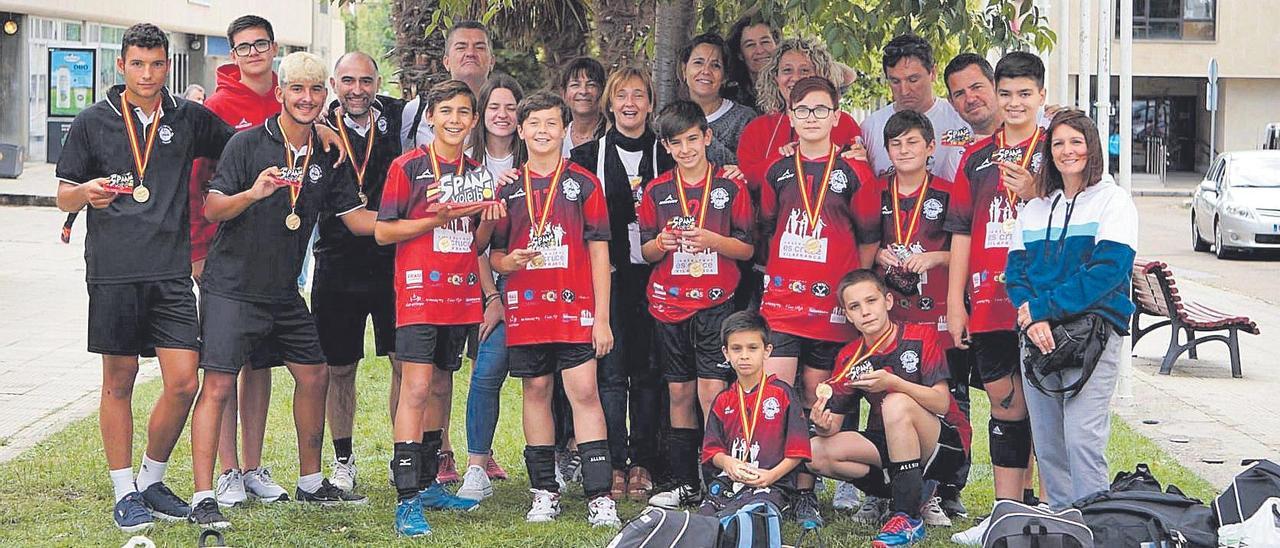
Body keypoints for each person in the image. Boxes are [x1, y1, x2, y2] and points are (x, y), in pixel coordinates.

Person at [54, 22, 235, 533]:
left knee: (183, 381)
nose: (149, 73)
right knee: (120, 379)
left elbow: (245, 143)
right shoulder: (92, 121)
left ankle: (152, 480)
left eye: (157, 64)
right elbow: (62, 195)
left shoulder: (188, 117)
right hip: (114, 271)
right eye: (138, 64)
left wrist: (317, 129)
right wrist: (86, 191)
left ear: (166, 65)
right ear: (122, 65)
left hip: (172, 271)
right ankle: (123, 489)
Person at [190, 52, 373, 529]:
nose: (307, 98)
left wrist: (423, 220)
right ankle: (204, 493)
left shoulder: (328, 154)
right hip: (232, 287)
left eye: (316, 90)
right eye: (298, 89)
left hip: (283, 292)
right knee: (218, 384)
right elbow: (211, 209)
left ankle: (312, 482)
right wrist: (253, 193)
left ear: (324, 96)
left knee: (315, 375)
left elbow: (355, 219)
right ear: (281, 92)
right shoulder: (246, 143)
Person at [376, 79, 502, 536]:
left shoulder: (476, 172)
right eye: (445, 110)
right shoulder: (407, 167)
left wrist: (489, 219)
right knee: (415, 387)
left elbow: (476, 242)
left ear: (473, 120)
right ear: (429, 116)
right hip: (418, 294)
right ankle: (407, 498)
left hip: (460, 295)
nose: (454, 119)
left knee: (443, 386)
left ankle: (429, 483)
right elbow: (383, 232)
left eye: (463, 112)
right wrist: (435, 218)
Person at [490, 91, 620, 527]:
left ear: (565, 130)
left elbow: (600, 253)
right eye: (535, 124)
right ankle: (544, 491)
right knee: (536, 392)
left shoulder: (583, 183)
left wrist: (602, 318)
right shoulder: (507, 187)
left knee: (584, 393)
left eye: (551, 123)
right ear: (521, 130)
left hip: (576, 309)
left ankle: (600, 496)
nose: (543, 131)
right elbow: (494, 253)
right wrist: (507, 264)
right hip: (527, 310)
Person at [758, 76, 881, 528]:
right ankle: (771, 487)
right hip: (784, 306)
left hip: (830, 311)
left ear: (835, 116)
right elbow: (768, 228)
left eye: (821, 110)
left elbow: (868, 238)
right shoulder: (778, 170)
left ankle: (806, 490)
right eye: (803, 110)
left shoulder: (854, 173)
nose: (812, 118)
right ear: (791, 116)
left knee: (818, 398)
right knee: (774, 395)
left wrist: (851, 293)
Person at [1005, 109, 1137, 510]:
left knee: (1082, 438)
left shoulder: (1114, 202)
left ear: (1092, 146)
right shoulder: (1035, 208)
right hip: (1038, 336)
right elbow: (1015, 275)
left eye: (1076, 141)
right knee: (1048, 443)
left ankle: (1096, 523)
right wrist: (1034, 320)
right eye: (1059, 143)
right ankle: (1061, 525)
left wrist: (1044, 309)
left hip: (1093, 334)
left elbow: (1108, 272)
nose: (1068, 151)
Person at [945, 51, 1050, 545]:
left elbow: (1075, 215)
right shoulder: (976, 156)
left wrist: (1034, 191)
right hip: (988, 301)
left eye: (1024, 93)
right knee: (1006, 407)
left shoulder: (1059, 148)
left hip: (1045, 303)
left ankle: (1051, 510)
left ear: (1041, 97)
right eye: (1005, 93)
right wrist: (954, 302)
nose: (1014, 102)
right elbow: (962, 234)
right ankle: (1006, 513)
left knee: (1048, 407)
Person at [639, 100, 755, 509]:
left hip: (715, 305)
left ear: (707, 138)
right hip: (669, 306)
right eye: (677, 143)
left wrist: (715, 242)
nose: (686, 149)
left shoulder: (730, 187)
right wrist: (661, 243)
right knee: (679, 394)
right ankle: (685, 481)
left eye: (693, 139)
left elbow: (746, 248)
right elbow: (647, 251)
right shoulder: (657, 191)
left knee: (712, 391)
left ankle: (719, 481)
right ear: (667, 147)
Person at [808, 270, 971, 548]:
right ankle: (904, 491)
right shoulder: (850, 356)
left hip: (944, 445)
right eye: (855, 307)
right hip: (890, 441)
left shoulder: (920, 337)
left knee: (895, 402)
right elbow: (833, 425)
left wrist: (894, 382)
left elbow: (941, 402)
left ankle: (907, 517)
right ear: (847, 315)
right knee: (813, 451)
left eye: (871, 301)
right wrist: (822, 423)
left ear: (888, 302)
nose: (865, 312)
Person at [569, 67, 671, 500]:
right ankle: (612, 462)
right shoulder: (585, 156)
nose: (630, 103)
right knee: (610, 374)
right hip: (606, 280)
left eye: (639, 94)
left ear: (650, 102)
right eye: (621, 95)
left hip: (657, 278)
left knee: (648, 374)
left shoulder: (669, 153)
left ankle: (644, 462)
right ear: (609, 103)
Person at [316, 51, 405, 495]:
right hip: (337, 262)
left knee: (402, 362)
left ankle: (401, 457)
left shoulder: (397, 117)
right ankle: (343, 459)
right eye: (347, 80)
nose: (357, 89)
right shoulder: (318, 125)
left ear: (378, 82)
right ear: (334, 83)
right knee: (339, 369)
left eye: (365, 81)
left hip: (392, 263)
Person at [455, 73, 524, 502]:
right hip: (484, 286)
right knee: (484, 372)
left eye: (511, 107)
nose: (502, 115)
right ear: (482, 114)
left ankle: (555, 457)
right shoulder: (466, 164)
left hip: (536, 283)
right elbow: (472, 241)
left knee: (545, 378)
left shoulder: (539, 152)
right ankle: (474, 466)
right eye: (494, 107)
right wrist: (493, 297)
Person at [698, 311, 811, 517]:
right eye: (736, 349)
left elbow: (798, 451)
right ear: (726, 353)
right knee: (706, 516)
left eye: (752, 348)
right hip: (731, 481)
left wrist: (770, 476)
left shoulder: (783, 394)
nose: (744, 356)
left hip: (772, 482)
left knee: (752, 512)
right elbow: (712, 451)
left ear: (767, 351)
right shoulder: (723, 400)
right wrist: (728, 463)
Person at [859, 35, 970, 180]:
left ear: (933, 73)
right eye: (895, 81)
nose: (904, 90)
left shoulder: (961, 120)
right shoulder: (870, 127)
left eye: (913, 80)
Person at [402, 20, 495, 150]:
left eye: (479, 47)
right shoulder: (416, 111)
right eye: (461, 47)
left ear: (492, 61)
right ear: (446, 62)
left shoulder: (507, 113)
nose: (470, 53)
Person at [678, 33, 757, 166]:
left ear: (725, 76)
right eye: (698, 63)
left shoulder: (745, 119)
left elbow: (748, 172)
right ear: (684, 70)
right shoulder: (670, 117)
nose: (705, 71)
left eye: (715, 65)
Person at [724, 16, 779, 109]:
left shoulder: (792, 87)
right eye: (750, 45)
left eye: (765, 42)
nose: (760, 50)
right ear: (740, 54)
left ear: (777, 45)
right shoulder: (730, 99)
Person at [943, 54, 1000, 140]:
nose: (970, 99)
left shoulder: (1025, 135)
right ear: (951, 102)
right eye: (959, 94)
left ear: (995, 85)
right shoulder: (953, 147)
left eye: (976, 87)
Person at [559, 56, 607, 156]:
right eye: (575, 85)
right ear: (563, 93)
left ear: (602, 92)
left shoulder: (611, 135)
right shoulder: (557, 137)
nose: (583, 91)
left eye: (591, 85)